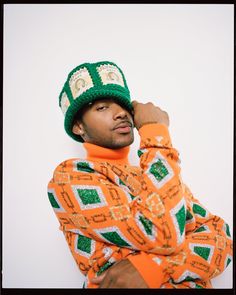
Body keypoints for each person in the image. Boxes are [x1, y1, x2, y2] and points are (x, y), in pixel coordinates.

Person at [47, 61, 232, 289]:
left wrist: (152, 267)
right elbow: (162, 232)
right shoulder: (69, 177)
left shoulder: (154, 171)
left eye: (124, 106)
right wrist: (155, 130)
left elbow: (221, 237)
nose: (120, 114)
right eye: (102, 107)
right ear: (78, 126)